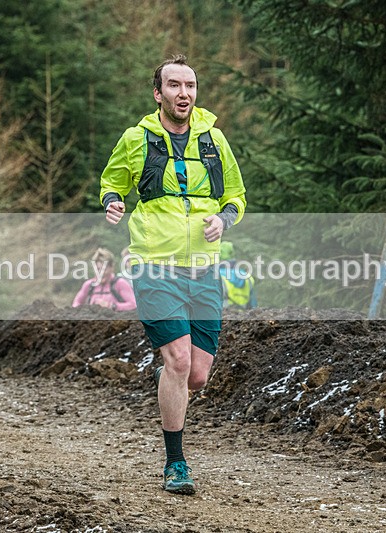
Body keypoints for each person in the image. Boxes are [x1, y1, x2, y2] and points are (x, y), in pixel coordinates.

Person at [100, 54, 246, 494]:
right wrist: (112, 201)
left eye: (190, 86)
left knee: (196, 375)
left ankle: (170, 380)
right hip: (153, 265)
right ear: (158, 93)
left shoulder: (214, 140)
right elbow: (111, 181)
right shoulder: (137, 138)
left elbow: (237, 196)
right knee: (179, 361)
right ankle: (176, 463)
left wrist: (224, 219)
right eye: (174, 85)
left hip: (204, 269)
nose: (184, 93)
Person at [71, 247, 137, 311]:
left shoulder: (120, 283)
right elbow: (76, 303)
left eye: (104, 269)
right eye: (98, 269)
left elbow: (133, 305)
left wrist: (111, 306)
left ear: (112, 267)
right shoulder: (89, 285)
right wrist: (83, 310)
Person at [218, 241, 257, 309]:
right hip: (244, 316)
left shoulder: (216, 276)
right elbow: (253, 305)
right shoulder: (248, 277)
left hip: (224, 315)